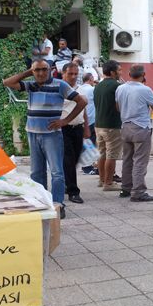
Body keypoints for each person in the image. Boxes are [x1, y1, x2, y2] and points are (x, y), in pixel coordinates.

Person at [3, 59, 86, 219]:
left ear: (50, 70)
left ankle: (58, 204)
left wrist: (65, 121)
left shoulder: (60, 85)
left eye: (44, 69)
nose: (40, 73)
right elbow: (7, 82)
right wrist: (30, 71)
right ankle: (41, 201)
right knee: (36, 172)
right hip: (32, 133)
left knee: (57, 172)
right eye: (37, 70)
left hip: (52, 135)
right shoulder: (31, 85)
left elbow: (82, 101)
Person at [115, 64, 153, 202]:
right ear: (143, 75)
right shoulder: (146, 89)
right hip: (140, 127)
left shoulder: (120, 88)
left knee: (127, 159)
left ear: (129, 74)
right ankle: (138, 191)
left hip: (125, 126)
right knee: (140, 161)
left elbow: (118, 107)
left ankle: (126, 188)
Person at [60, 62, 90, 204]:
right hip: (63, 129)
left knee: (76, 157)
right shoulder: (59, 89)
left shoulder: (81, 89)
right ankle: (73, 191)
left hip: (78, 127)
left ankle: (67, 182)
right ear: (63, 73)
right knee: (68, 159)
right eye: (70, 73)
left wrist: (87, 128)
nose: (73, 76)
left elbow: (83, 110)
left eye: (75, 74)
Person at [94, 60, 123, 191]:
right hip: (112, 124)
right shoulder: (117, 86)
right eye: (119, 70)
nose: (120, 72)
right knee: (111, 154)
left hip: (99, 123)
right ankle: (109, 183)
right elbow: (120, 105)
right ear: (112, 72)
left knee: (102, 153)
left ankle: (101, 180)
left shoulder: (98, 86)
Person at [78, 73, 97, 174]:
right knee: (91, 144)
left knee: (84, 143)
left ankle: (85, 165)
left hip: (81, 119)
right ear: (91, 79)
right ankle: (87, 167)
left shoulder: (79, 88)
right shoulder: (92, 90)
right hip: (91, 119)